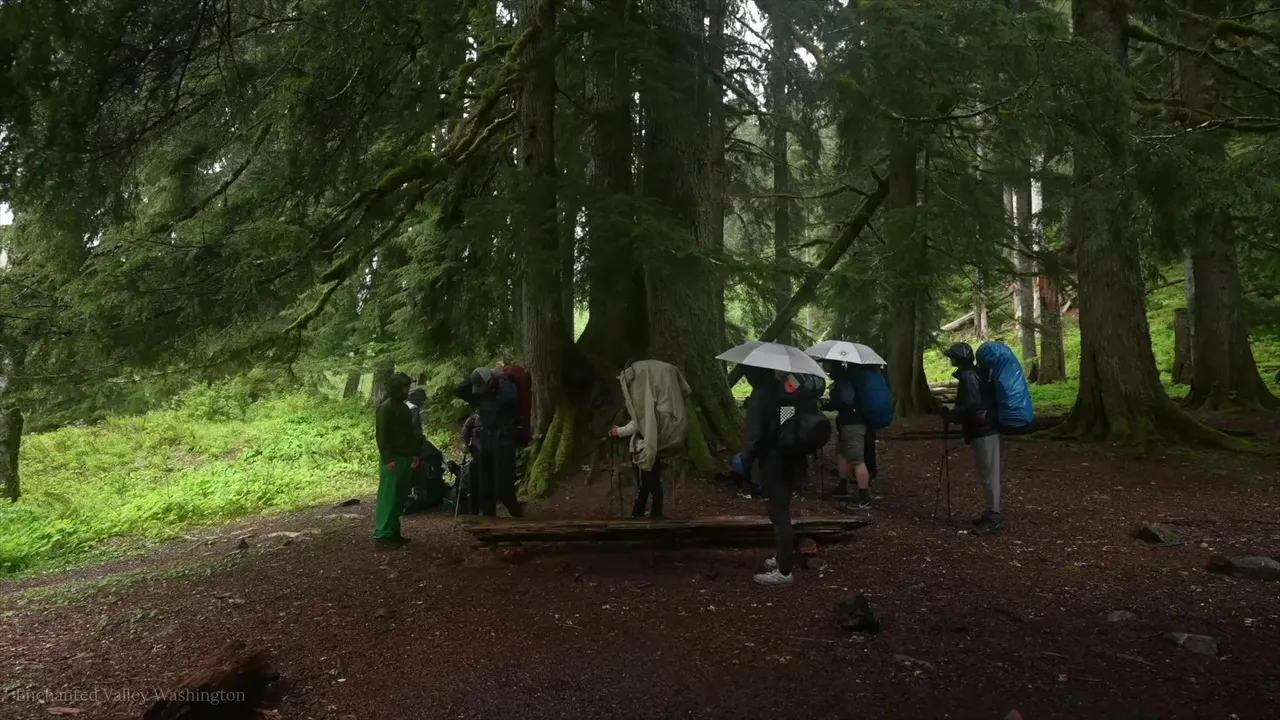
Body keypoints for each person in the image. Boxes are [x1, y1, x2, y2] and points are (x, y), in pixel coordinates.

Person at [739, 366, 804, 587]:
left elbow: (755, 436)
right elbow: (786, 423)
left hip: (772, 460)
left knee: (779, 514)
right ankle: (782, 557)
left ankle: (784, 571)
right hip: (791, 458)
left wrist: (746, 463)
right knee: (781, 508)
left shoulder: (761, 395)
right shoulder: (785, 390)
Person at [609, 358, 691, 518]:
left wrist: (618, 432)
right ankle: (641, 513)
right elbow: (642, 422)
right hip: (656, 444)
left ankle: (653, 516)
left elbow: (639, 424)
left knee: (649, 482)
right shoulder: (660, 401)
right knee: (646, 482)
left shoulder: (649, 401)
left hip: (650, 445)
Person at [940, 342, 1002, 536]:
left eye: (951, 356)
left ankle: (994, 517)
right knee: (987, 474)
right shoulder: (973, 373)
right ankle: (990, 512)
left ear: (958, 358)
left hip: (984, 431)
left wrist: (953, 415)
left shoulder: (969, 376)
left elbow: (972, 404)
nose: (950, 359)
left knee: (989, 475)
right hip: (983, 430)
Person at [454, 369, 523, 517]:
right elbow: (459, 390)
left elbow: (510, 397)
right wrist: (475, 378)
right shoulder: (479, 397)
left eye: (482, 386)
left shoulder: (505, 391)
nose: (480, 391)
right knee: (485, 490)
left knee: (505, 490)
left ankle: (520, 520)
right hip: (484, 444)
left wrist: (499, 377)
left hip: (504, 442)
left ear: (491, 382)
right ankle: (489, 524)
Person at [375, 372, 419, 549]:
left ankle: (393, 533)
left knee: (399, 498)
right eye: (405, 387)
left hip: (405, 458)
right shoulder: (385, 409)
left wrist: (414, 453)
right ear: (397, 388)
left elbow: (410, 434)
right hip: (393, 460)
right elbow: (382, 435)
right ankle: (382, 535)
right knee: (388, 498)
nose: (407, 390)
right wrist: (388, 458)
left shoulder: (404, 409)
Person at [823, 362, 872, 508]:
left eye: (826, 363)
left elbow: (846, 401)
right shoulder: (847, 377)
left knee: (857, 460)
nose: (824, 366)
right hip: (848, 422)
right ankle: (842, 487)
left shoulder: (844, 379)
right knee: (843, 454)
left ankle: (864, 499)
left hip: (853, 423)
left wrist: (829, 402)